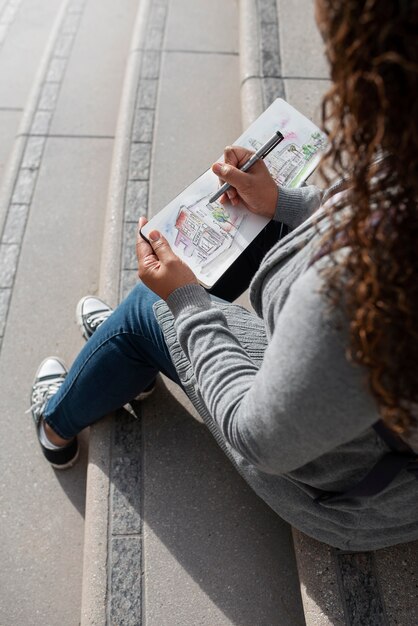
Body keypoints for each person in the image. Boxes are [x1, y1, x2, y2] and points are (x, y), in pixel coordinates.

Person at [29, 0, 418, 551]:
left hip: (355, 494)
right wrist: (282, 200)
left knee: (148, 310)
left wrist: (185, 302)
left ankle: (55, 425)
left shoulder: (352, 298)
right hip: (376, 433)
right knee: (248, 225)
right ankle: (134, 355)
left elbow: (260, 437)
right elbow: (380, 200)